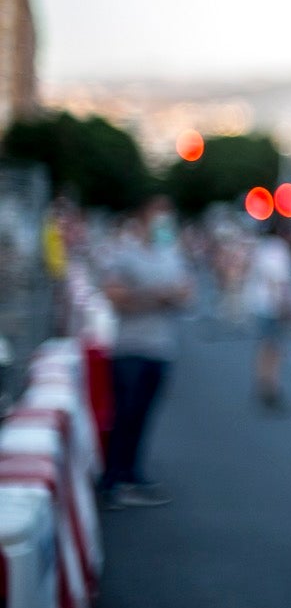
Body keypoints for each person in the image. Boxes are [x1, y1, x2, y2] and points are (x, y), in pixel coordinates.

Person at [100, 196, 193, 508]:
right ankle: (113, 480)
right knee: (124, 416)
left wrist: (154, 297)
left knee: (142, 417)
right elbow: (115, 296)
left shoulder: (172, 256)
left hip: (160, 349)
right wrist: (156, 296)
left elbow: (185, 294)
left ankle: (132, 473)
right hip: (130, 349)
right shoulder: (126, 255)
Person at [245, 216, 291, 412]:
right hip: (273, 307)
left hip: (261, 305)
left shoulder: (262, 247)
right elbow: (278, 282)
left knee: (265, 346)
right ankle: (271, 386)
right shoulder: (278, 250)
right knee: (274, 349)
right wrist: (285, 309)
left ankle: (262, 383)